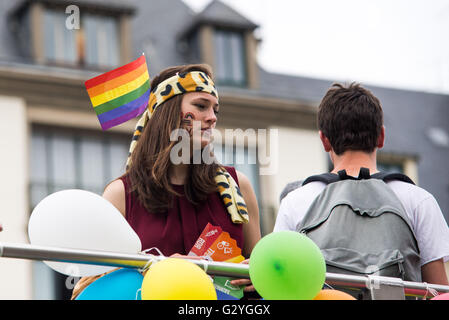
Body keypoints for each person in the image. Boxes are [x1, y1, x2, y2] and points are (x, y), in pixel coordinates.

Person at [72, 64, 261, 298]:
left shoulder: (237, 186)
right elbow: (96, 280)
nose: (212, 118)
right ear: (167, 112)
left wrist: (257, 271)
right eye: (201, 106)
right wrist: (159, 267)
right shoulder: (121, 193)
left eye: (216, 110)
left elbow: (260, 264)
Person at [274, 82, 449, 286]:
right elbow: (438, 290)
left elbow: (282, 284)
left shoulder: (296, 202)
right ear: (381, 136)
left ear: (324, 140)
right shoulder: (418, 200)